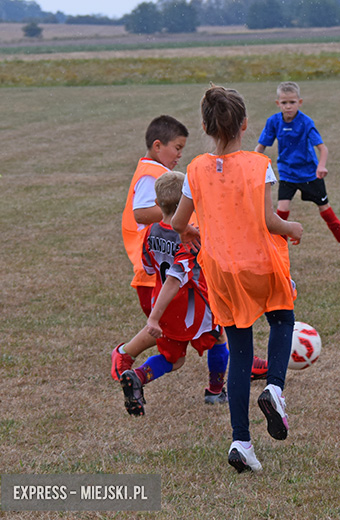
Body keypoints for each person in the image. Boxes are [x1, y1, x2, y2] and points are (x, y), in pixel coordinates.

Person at [172, 85, 303, 474]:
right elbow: (268, 221)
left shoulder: (194, 169)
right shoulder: (259, 165)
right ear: (245, 124)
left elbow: (178, 222)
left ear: (205, 126)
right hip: (262, 262)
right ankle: (275, 389)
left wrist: (192, 231)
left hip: (221, 271)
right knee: (281, 319)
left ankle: (241, 442)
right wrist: (291, 225)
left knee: (240, 352)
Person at [118, 171, 239, 416]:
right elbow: (176, 278)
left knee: (175, 359)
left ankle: (139, 376)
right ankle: (215, 392)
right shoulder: (189, 235)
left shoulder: (150, 232)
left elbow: (150, 267)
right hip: (191, 304)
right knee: (218, 338)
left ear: (157, 203)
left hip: (162, 305)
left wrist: (155, 314)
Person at [113, 115, 188, 381]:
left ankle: (229, 374)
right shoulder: (151, 174)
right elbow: (141, 213)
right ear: (158, 146)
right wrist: (180, 212)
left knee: (195, 334)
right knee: (177, 343)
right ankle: (124, 352)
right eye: (177, 148)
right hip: (155, 272)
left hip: (165, 268)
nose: (180, 155)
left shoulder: (156, 172)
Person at [255, 81, 340, 267]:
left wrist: (321, 166)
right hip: (288, 175)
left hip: (310, 175)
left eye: (292, 102)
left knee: (327, 213)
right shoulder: (274, 122)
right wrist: (251, 164)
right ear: (277, 103)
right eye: (284, 102)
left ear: (300, 102)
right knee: (281, 214)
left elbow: (323, 148)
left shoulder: (305, 122)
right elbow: (260, 148)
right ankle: (277, 256)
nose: (288, 106)